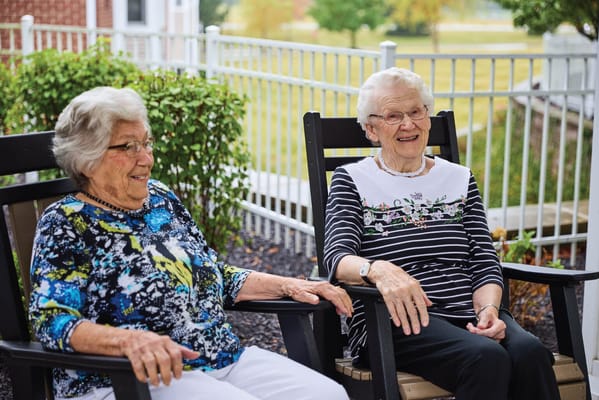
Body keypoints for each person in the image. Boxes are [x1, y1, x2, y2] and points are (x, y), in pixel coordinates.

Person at [29, 86, 353, 400]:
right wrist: (127, 342)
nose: (146, 158)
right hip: (129, 377)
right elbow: (51, 319)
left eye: (147, 143)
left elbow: (212, 274)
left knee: (327, 394)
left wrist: (288, 286)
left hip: (218, 362)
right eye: (128, 147)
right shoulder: (67, 223)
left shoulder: (160, 199)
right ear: (88, 158)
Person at [323, 67, 559, 400]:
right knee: (485, 357)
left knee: (530, 354)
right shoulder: (352, 180)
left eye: (416, 111)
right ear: (371, 129)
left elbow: (484, 259)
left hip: (469, 313)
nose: (408, 124)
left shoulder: (459, 178)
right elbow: (336, 258)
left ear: (428, 117)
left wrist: (489, 312)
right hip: (395, 319)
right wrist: (377, 269)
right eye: (393, 116)